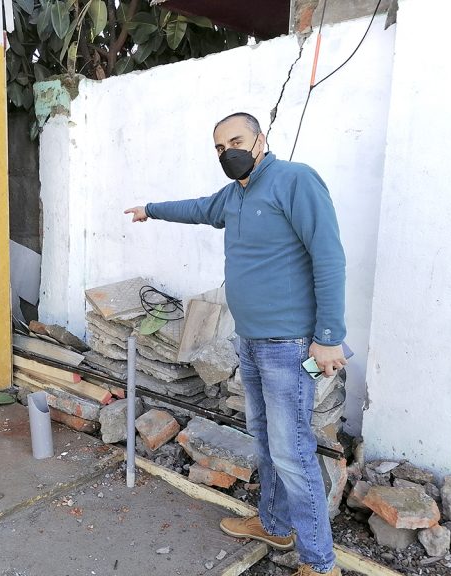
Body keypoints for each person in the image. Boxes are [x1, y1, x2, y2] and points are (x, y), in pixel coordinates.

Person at [124, 112, 346, 576]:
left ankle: (320, 564)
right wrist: (152, 208)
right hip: (250, 341)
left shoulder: (294, 180)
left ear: (260, 139)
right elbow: (198, 208)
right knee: (266, 441)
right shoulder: (234, 195)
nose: (229, 152)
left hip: (290, 346)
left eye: (237, 141)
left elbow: (329, 257)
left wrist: (329, 338)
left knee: (292, 451)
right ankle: (275, 524)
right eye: (220, 148)